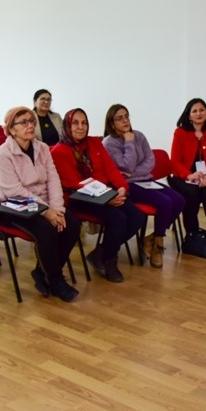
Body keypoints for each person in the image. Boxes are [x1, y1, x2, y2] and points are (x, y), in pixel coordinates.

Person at [0, 107, 82, 302]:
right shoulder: (3, 154)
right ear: (12, 129)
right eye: (23, 122)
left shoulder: (42, 147)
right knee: (46, 230)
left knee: (72, 224)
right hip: (14, 206)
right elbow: (14, 190)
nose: (30, 125)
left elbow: (53, 179)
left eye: (31, 121)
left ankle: (42, 271)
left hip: (42, 203)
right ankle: (56, 280)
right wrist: (46, 211)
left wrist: (57, 209)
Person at [52, 108, 145, 283]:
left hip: (105, 192)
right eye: (75, 123)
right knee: (118, 218)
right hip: (79, 197)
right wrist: (107, 198)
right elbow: (74, 184)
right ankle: (110, 260)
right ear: (67, 125)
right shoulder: (59, 151)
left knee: (137, 216)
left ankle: (100, 253)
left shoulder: (94, 142)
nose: (81, 127)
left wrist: (121, 188)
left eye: (84, 122)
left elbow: (110, 168)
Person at [102, 104, 184, 268]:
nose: (125, 120)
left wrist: (134, 172)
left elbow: (150, 161)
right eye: (120, 118)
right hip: (128, 185)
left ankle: (151, 239)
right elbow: (126, 167)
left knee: (179, 200)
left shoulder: (139, 135)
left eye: (127, 116)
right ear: (112, 123)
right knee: (165, 202)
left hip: (145, 180)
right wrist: (129, 142)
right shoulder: (109, 143)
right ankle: (158, 246)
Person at [168, 98, 206, 245]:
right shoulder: (180, 133)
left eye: (202, 110)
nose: (198, 113)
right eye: (194, 111)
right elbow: (174, 161)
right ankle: (192, 236)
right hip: (184, 177)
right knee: (191, 194)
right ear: (189, 115)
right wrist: (189, 175)